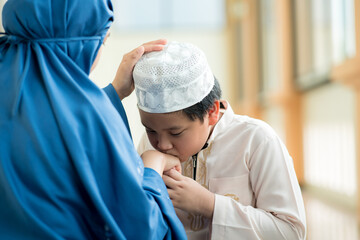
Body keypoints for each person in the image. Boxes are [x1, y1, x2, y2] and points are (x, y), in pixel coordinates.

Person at [0, 0, 187, 239]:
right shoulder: (90, 116)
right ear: (82, 44)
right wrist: (152, 167)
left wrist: (114, 91)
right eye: (103, 40)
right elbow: (141, 228)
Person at [134, 41, 307, 239]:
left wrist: (209, 204)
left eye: (176, 133)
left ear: (212, 112)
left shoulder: (256, 140)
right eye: (150, 130)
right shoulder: (149, 147)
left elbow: (291, 232)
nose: (162, 145)